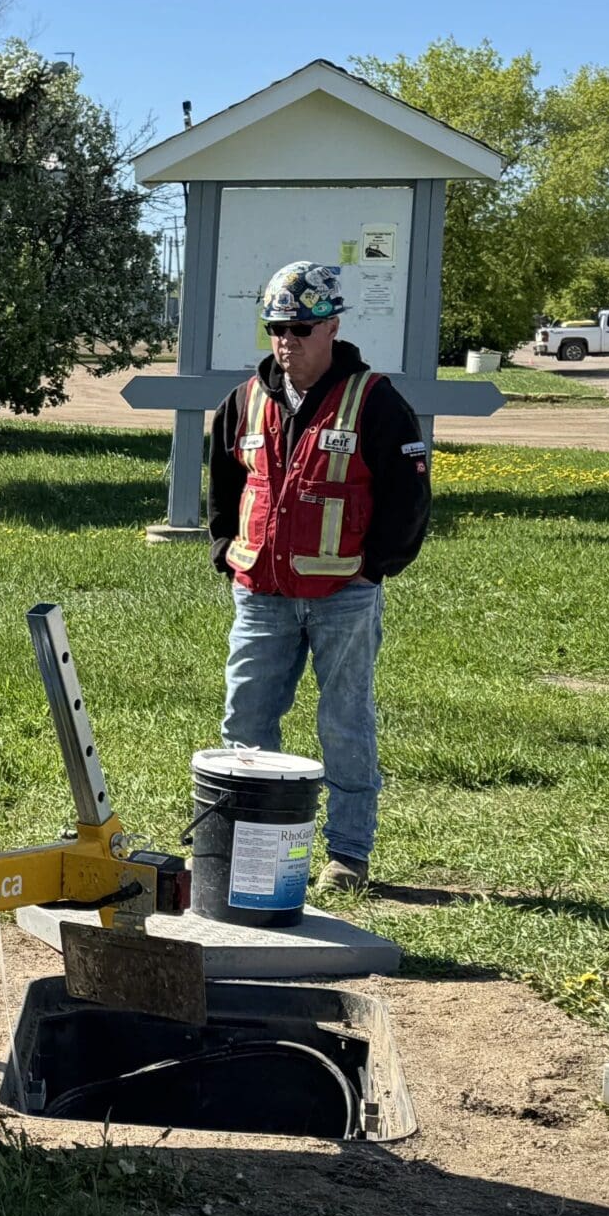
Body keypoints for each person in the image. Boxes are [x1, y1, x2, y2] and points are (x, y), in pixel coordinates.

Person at [206, 261, 431, 892]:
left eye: (301, 329)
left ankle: (348, 854)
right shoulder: (245, 400)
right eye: (277, 328)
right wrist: (226, 548)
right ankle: (244, 846)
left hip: (344, 597)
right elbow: (225, 482)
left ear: (332, 327)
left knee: (345, 721)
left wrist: (374, 567)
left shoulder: (375, 399)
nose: (287, 341)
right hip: (261, 593)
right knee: (245, 722)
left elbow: (409, 497)